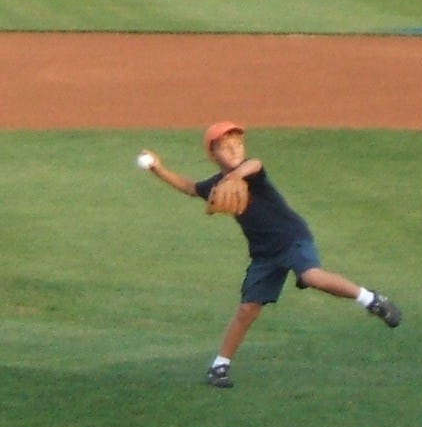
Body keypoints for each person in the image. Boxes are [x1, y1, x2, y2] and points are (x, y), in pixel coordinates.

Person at [141, 121, 402, 389]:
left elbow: (254, 164)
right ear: (213, 155)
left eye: (238, 144)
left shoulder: (250, 171)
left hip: (292, 238)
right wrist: (157, 169)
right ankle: (219, 366)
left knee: (312, 276)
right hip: (264, 254)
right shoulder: (216, 184)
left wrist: (235, 176)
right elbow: (189, 187)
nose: (234, 150)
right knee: (247, 309)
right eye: (225, 147)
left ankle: (371, 300)